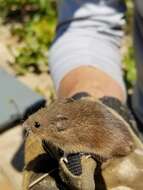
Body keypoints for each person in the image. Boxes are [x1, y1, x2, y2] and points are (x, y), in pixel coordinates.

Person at [1, 0, 143, 189]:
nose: (28, 126)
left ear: (59, 126)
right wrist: (98, 97)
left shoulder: (66, 134)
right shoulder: (61, 131)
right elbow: (89, 25)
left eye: (35, 125)